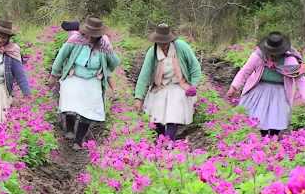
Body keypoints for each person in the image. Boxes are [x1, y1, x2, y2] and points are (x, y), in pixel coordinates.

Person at [49, 16, 120, 150]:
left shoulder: (103, 44)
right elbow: (61, 56)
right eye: (89, 35)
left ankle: (79, 139)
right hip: (74, 75)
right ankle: (69, 129)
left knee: (89, 110)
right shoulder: (75, 40)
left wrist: (108, 50)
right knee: (70, 102)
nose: (91, 38)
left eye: (95, 36)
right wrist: (54, 75)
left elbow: (115, 62)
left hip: (92, 79)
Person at [227, 32, 305, 138]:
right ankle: (259, 140)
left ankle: (273, 140)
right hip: (259, 90)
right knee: (257, 119)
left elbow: (301, 80)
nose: (273, 55)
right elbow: (244, 72)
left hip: (280, 92)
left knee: (276, 121)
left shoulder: (289, 60)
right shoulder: (258, 56)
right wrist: (234, 87)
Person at [134, 23, 202, 141]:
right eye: (160, 42)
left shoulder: (181, 47)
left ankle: (169, 142)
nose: (163, 45)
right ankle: (161, 140)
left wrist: (193, 85)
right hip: (160, 86)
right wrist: (138, 98)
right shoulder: (153, 52)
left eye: (165, 42)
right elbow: (144, 75)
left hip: (178, 85)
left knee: (173, 115)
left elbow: (194, 67)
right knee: (157, 116)